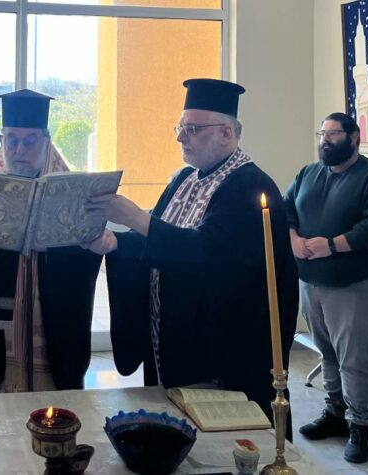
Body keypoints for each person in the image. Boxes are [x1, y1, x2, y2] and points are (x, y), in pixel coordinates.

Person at [84, 79, 298, 432]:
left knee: (218, 441)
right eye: (180, 128)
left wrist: (134, 216)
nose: (181, 137)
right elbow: (160, 238)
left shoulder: (249, 186)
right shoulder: (185, 178)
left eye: (193, 129)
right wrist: (116, 243)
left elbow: (207, 252)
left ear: (226, 133)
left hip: (219, 350)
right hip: (170, 340)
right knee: (173, 430)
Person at [0, 89, 102, 393]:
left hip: (48, 307)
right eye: (12, 140)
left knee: (52, 393)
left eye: (30, 141)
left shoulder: (70, 193)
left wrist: (91, 241)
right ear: (1, 141)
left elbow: (84, 256)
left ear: (46, 143)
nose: (20, 150)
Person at [284, 112, 368, 464]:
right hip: (312, 281)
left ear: (354, 137)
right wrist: (292, 238)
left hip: (358, 285)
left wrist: (333, 245)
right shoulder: (308, 174)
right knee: (328, 354)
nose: (325, 140)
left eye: (333, 134)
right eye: (322, 133)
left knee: (355, 360)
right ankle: (335, 413)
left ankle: (360, 427)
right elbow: (285, 208)